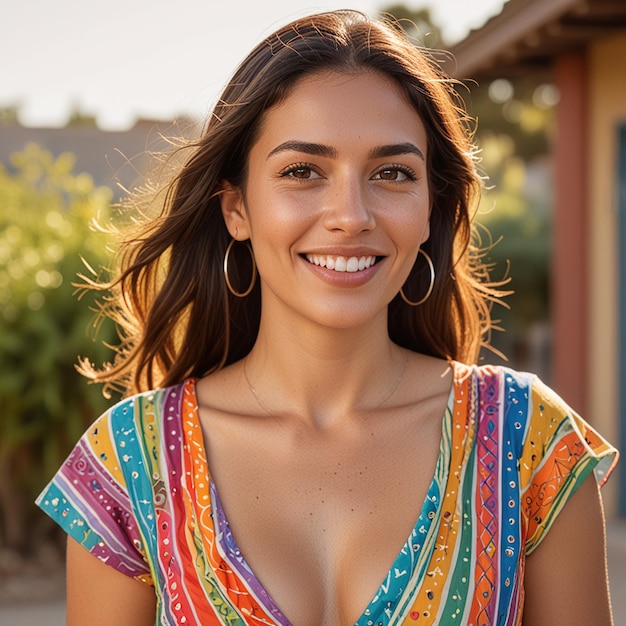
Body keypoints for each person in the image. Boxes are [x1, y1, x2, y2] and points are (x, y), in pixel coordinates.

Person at [36, 9, 618, 626]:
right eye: (302, 171)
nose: (351, 214)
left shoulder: (529, 446)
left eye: (392, 173)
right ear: (236, 208)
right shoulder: (129, 462)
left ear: (429, 208)